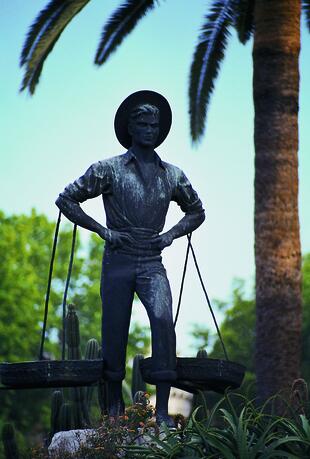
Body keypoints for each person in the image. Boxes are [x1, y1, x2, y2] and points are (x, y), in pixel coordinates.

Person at [56, 90, 205, 427]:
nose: (150, 129)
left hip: (153, 261)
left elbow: (197, 211)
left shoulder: (174, 175)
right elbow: (66, 200)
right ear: (131, 128)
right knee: (114, 333)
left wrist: (169, 235)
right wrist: (103, 231)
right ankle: (112, 411)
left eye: (155, 125)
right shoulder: (107, 169)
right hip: (119, 259)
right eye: (143, 124)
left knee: (164, 323)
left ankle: (164, 412)